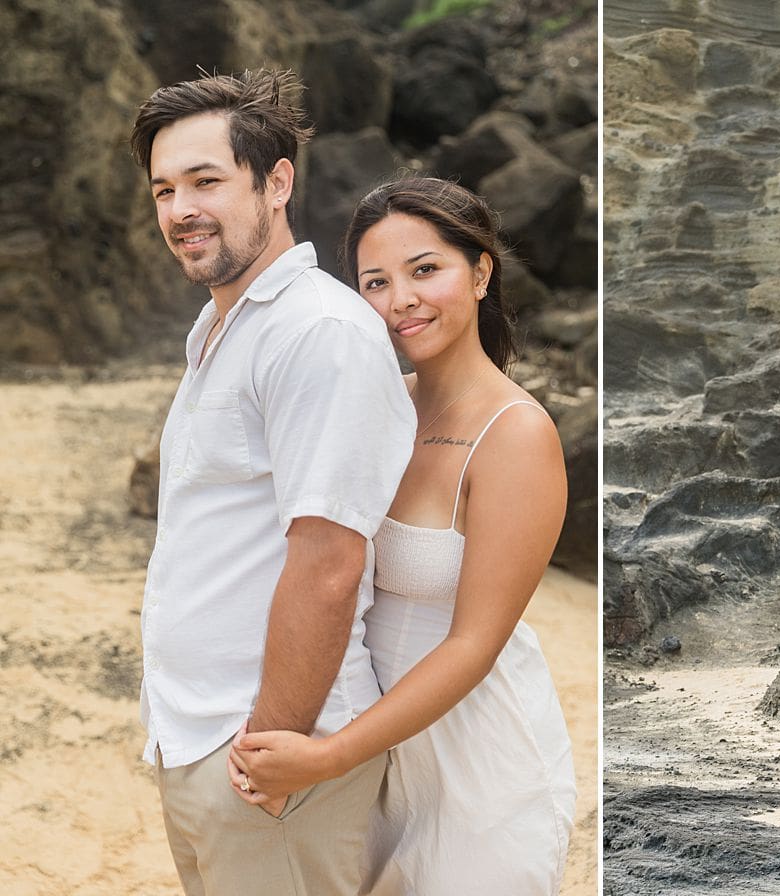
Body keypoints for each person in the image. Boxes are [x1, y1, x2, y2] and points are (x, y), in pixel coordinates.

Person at [228, 177, 576, 894]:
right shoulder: (378, 404)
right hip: (368, 747)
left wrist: (329, 757)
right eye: (375, 282)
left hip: (475, 762)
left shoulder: (517, 435)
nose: (400, 300)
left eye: (425, 271)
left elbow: (475, 645)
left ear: (480, 272)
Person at [129, 69, 415, 895]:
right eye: (165, 189)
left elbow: (328, 562)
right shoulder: (223, 326)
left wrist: (275, 748)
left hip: (263, 757)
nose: (181, 209)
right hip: (197, 739)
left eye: (207, 181)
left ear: (277, 181)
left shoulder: (318, 333)